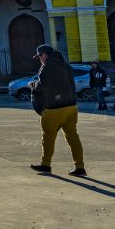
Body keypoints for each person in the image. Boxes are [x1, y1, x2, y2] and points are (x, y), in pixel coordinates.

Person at [29, 44, 85, 176]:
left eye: (39, 57)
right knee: (73, 137)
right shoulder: (66, 65)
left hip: (54, 108)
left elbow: (42, 86)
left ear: (44, 55)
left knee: (48, 137)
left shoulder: (47, 67)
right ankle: (80, 167)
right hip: (71, 106)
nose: (40, 60)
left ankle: (46, 165)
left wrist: (33, 85)